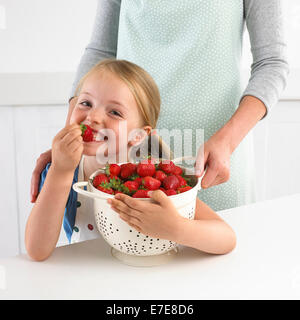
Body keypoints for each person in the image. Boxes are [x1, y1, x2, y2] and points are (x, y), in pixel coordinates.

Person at [30, 0, 289, 212]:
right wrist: (71, 135)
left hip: (212, 162)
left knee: (214, 257)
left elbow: (272, 63)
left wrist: (227, 142)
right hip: (123, 158)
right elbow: (101, 50)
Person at [25, 59, 236, 261]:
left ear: (138, 135)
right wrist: (60, 172)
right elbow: (37, 250)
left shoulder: (153, 178)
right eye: (86, 103)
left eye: (115, 112)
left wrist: (176, 228)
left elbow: (226, 238)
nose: (93, 117)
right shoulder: (60, 171)